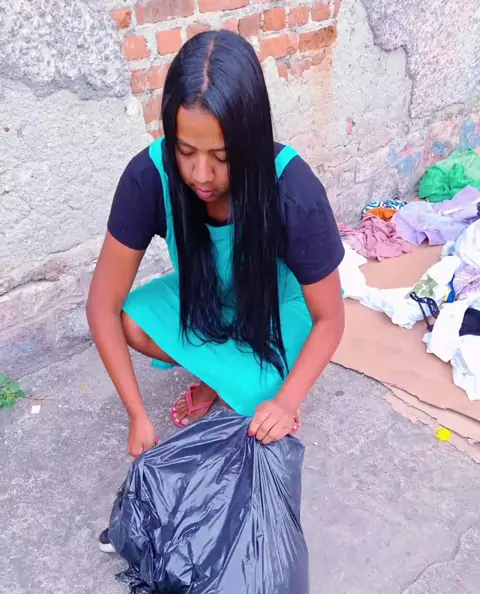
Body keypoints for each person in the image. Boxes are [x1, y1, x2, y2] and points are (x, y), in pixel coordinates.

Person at [86, 29, 345, 462]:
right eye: (185, 151)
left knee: (261, 401)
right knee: (133, 324)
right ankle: (222, 374)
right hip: (208, 298)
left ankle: (230, 378)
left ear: (251, 140)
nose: (201, 175)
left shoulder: (294, 190)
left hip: (277, 309)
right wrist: (137, 415)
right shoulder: (147, 178)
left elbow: (331, 318)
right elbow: (102, 304)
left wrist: (287, 402)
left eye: (222, 157)